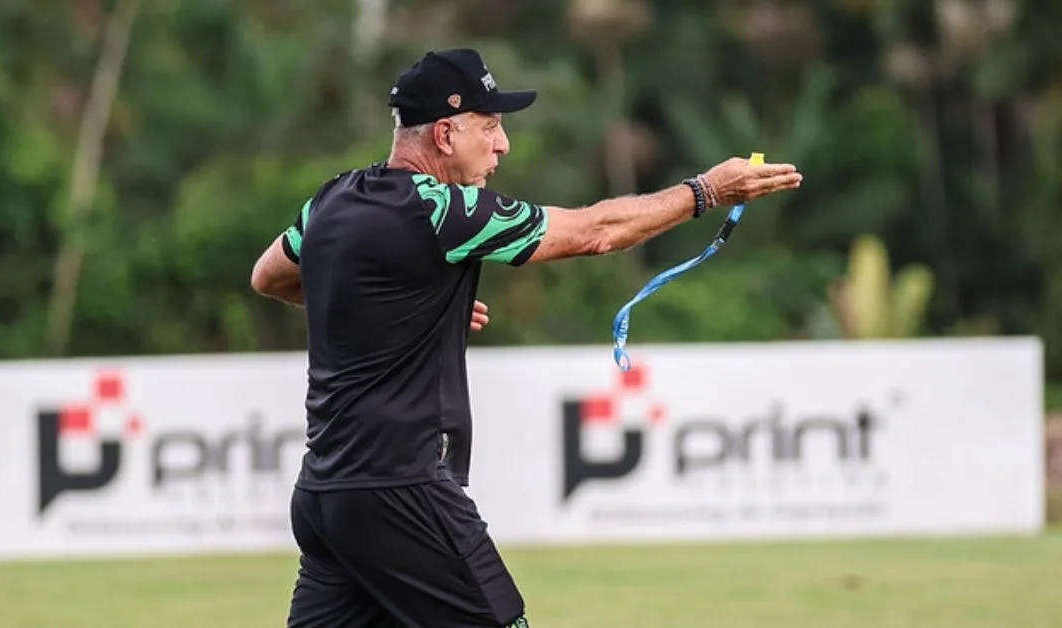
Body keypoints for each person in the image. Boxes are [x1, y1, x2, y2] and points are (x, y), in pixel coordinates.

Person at [251, 48, 803, 628]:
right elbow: (597, 232)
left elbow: (269, 276)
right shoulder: (444, 210)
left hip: (325, 496)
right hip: (402, 490)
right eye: (489, 128)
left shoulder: (333, 197)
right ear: (445, 134)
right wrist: (706, 191)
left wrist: (394, 306)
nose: (502, 145)